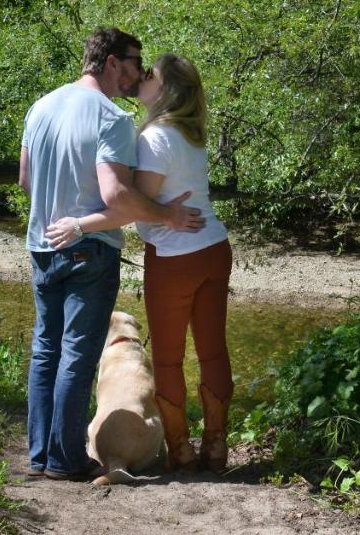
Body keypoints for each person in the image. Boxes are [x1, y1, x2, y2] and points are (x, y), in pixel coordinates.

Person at [19, 29, 204, 481]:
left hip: (42, 244)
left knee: (45, 350)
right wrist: (166, 215)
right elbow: (117, 195)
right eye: (134, 62)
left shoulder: (40, 106)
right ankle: (66, 460)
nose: (139, 73)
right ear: (110, 62)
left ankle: (40, 455)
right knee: (77, 355)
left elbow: (25, 180)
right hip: (89, 250)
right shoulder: (112, 118)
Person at [46, 53, 232, 473]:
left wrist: (81, 223)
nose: (142, 77)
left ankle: (181, 451)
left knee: (167, 359)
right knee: (213, 351)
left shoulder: (154, 138)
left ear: (164, 90)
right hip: (215, 249)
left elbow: (133, 207)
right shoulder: (193, 134)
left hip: (173, 256)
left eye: (150, 75)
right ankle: (217, 448)